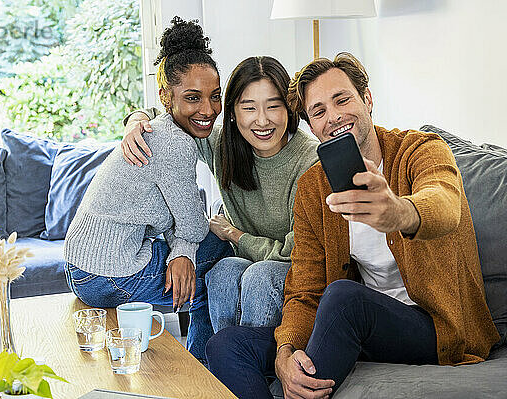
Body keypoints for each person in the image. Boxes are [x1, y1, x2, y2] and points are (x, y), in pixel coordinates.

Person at [205, 52, 500, 398]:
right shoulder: (314, 187)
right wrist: (285, 352)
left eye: (341, 99)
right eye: (318, 111)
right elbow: (306, 286)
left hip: (436, 327)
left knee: (345, 298)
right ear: (311, 126)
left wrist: (399, 212)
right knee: (225, 345)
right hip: (358, 327)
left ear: (367, 99)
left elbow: (444, 203)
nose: (333, 117)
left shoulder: (421, 151)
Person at [63, 17, 233, 362]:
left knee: (210, 249)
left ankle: (201, 365)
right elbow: (194, 225)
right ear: (166, 96)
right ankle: (204, 375)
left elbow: (182, 221)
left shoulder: (160, 126)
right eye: (193, 98)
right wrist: (184, 250)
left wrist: (182, 248)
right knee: (217, 276)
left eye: (215, 96)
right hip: (106, 273)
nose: (208, 109)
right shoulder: (174, 143)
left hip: (83, 262)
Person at [121, 56, 319, 333]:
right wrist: (135, 120)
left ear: (289, 108)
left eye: (273, 106)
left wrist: (234, 234)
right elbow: (170, 116)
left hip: (295, 268)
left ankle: (259, 366)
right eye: (249, 108)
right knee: (223, 271)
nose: (262, 120)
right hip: (247, 260)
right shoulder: (223, 143)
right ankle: (221, 368)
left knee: (258, 276)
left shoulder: (309, 161)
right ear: (233, 112)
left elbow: (292, 253)